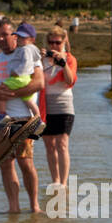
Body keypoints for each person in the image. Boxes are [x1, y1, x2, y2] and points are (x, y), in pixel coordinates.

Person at [0, 20, 44, 212]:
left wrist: (13, 93)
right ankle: (13, 209)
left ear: (14, 35)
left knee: (26, 163)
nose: (1, 39)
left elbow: (39, 83)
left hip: (24, 117)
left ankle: (34, 207)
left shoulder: (27, 53)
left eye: (5, 35)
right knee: (5, 165)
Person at [40, 24, 77, 188]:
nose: (54, 46)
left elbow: (70, 81)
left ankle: (63, 182)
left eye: (58, 42)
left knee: (62, 144)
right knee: (49, 144)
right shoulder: (42, 59)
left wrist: (63, 64)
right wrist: (40, 57)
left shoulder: (69, 59)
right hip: (45, 106)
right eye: (51, 43)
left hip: (64, 105)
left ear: (63, 42)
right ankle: (55, 180)